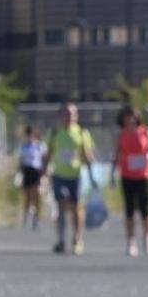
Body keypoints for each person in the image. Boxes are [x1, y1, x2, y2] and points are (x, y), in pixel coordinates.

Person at [110, 105, 148, 257]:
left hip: (144, 175)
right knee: (129, 210)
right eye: (127, 116)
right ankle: (131, 241)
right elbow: (116, 155)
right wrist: (112, 173)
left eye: (133, 116)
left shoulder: (146, 132)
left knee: (145, 210)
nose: (130, 119)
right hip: (127, 175)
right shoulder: (121, 135)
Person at [46, 102, 96, 254]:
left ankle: (77, 239)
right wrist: (44, 174)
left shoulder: (82, 133)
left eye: (73, 114)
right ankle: (61, 240)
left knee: (76, 208)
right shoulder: (54, 132)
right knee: (60, 208)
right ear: (61, 116)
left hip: (76, 176)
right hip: (59, 175)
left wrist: (92, 176)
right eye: (67, 114)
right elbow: (48, 155)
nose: (70, 117)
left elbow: (88, 156)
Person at [17, 125, 47, 230]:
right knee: (27, 197)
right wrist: (19, 174)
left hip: (37, 172)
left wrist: (45, 174)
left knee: (37, 195)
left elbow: (44, 160)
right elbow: (20, 162)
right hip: (27, 171)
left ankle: (36, 219)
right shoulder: (23, 147)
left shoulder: (40, 146)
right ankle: (25, 219)